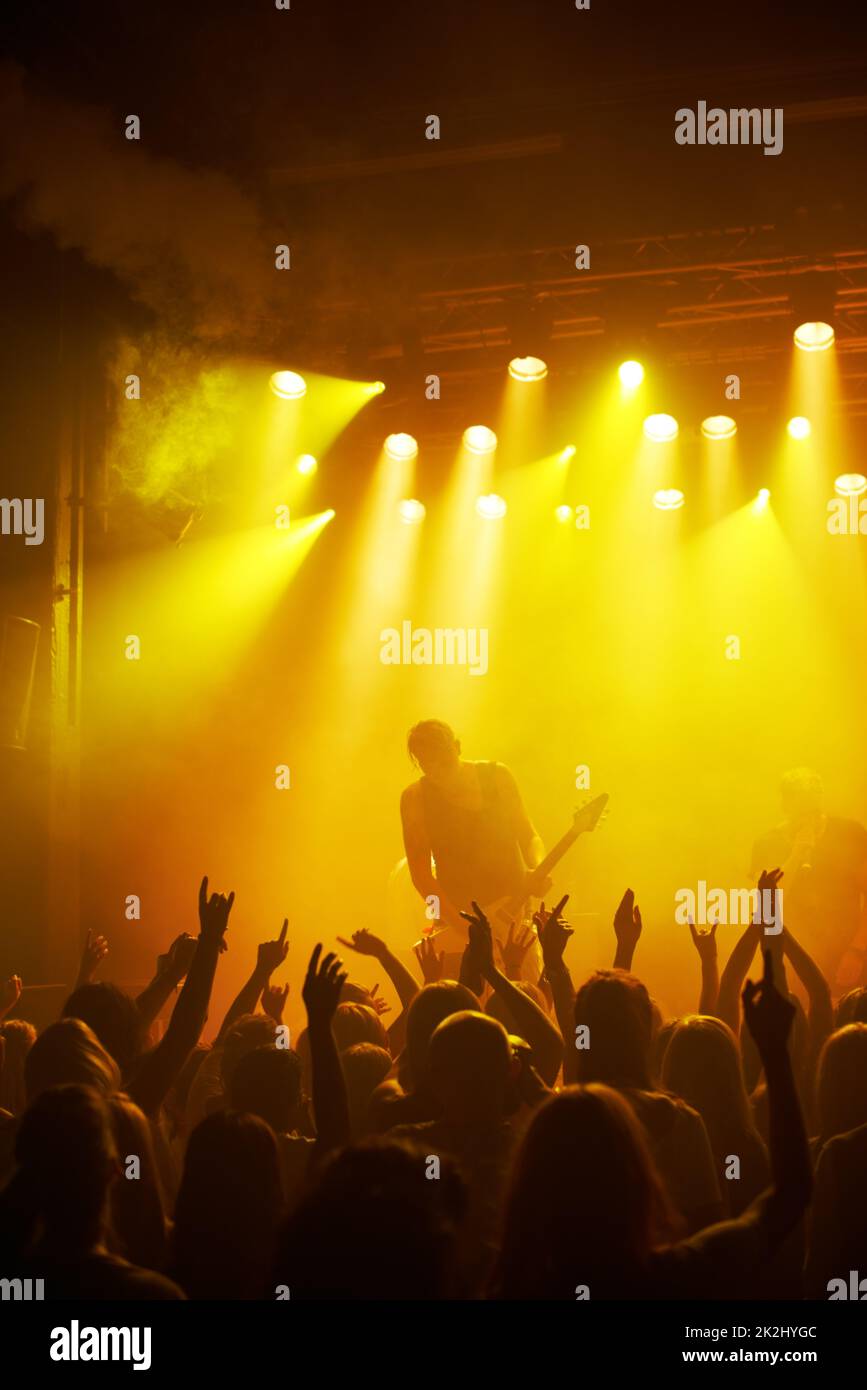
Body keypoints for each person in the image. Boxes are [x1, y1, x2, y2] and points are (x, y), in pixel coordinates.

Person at [490, 951, 812, 1299]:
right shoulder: (680, 1123)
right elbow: (788, 1196)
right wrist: (776, 1054)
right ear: (645, 1184)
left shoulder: (512, 1284)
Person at [399, 720, 551, 966]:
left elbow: (529, 835)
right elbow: (421, 878)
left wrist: (539, 867)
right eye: (428, 765)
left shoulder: (497, 776)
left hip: (514, 913)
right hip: (459, 922)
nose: (439, 771)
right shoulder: (414, 798)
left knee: (526, 998)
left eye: (444, 760)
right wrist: (458, 925)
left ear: (457, 747)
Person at [751, 768, 867, 987]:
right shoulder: (767, 844)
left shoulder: (849, 834)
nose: (810, 817)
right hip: (794, 959)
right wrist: (796, 853)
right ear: (786, 806)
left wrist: (858, 950)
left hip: (850, 955)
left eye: (814, 808)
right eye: (802, 809)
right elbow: (768, 904)